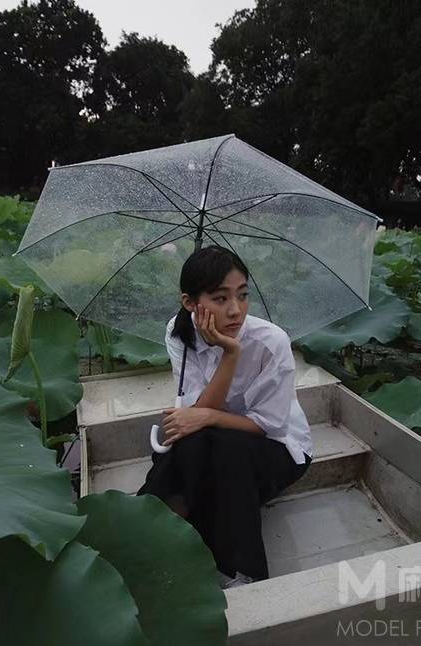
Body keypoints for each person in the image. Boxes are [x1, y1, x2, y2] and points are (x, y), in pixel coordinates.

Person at [136, 244, 314, 589]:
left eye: (243, 295)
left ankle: (241, 570)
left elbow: (268, 426)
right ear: (190, 303)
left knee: (223, 445)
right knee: (194, 441)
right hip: (215, 449)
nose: (236, 311)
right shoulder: (179, 331)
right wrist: (206, 410)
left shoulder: (271, 342)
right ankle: (152, 528)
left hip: (278, 450)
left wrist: (231, 353)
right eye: (220, 299)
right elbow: (200, 412)